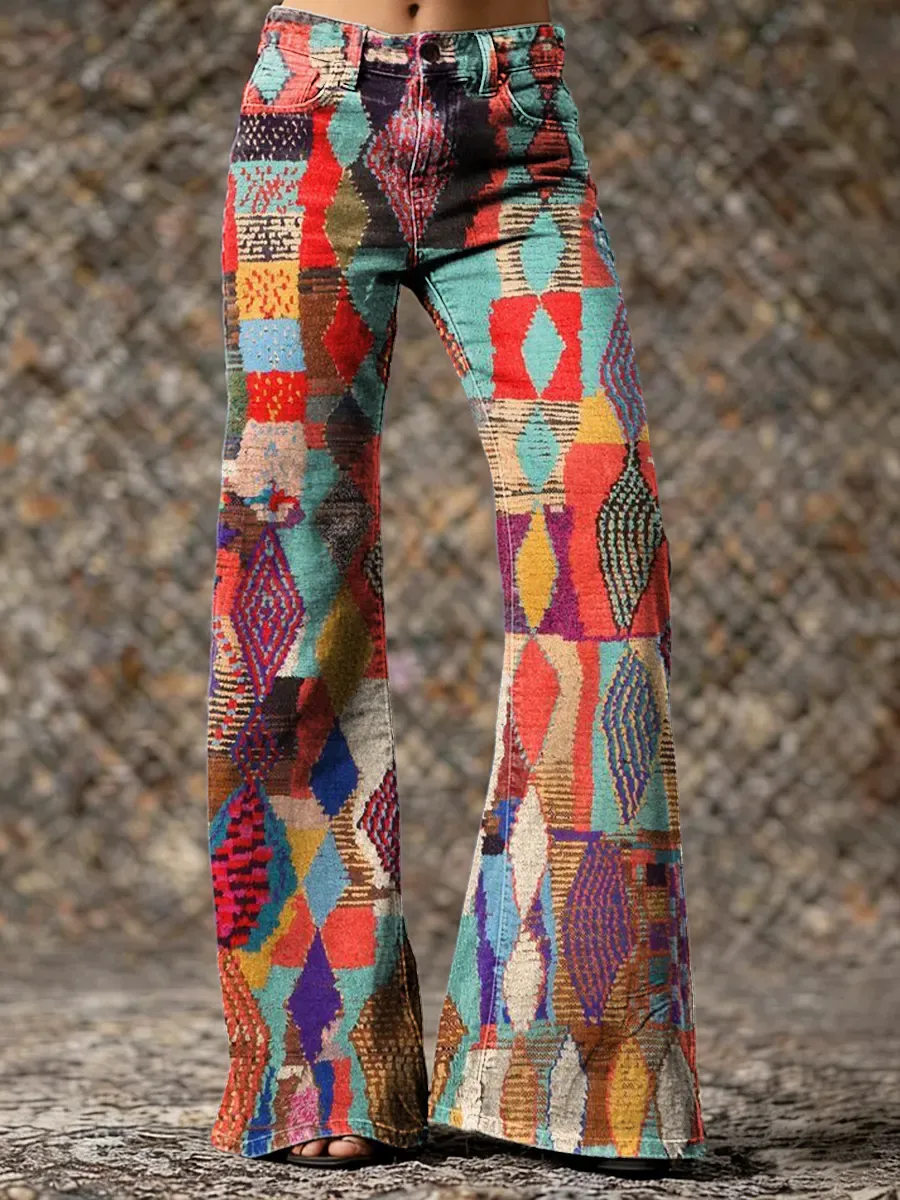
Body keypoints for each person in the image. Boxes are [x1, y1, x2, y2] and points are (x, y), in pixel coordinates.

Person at [205, 0, 707, 1174]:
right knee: (292, 568)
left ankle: (571, 1066)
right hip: (307, 126)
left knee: (601, 523)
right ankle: (324, 1063)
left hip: (518, 134)